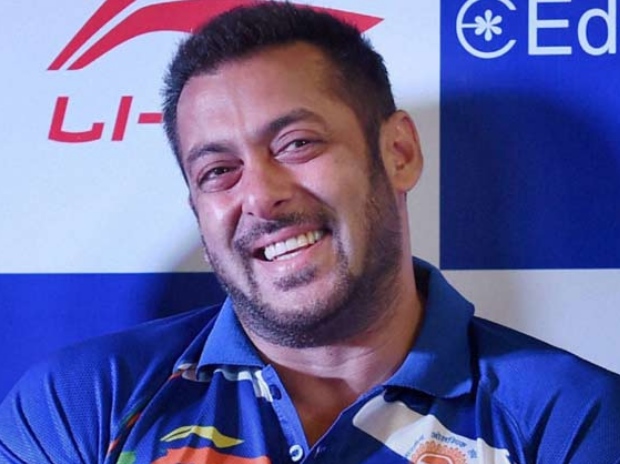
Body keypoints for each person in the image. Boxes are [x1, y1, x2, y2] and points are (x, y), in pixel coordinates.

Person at [1, 3, 619, 463]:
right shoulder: (82, 404)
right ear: (197, 208)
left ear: (399, 153)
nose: (259, 195)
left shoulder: (567, 419)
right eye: (218, 171)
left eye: (296, 144)